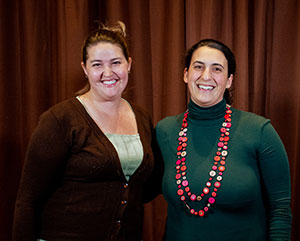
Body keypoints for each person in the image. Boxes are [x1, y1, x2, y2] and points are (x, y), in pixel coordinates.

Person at [13, 21, 159, 241]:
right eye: (97, 64)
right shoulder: (60, 120)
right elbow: (28, 200)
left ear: (129, 64)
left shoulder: (142, 117)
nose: (107, 72)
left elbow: (141, 189)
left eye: (116, 63)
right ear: (85, 68)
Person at [155, 39, 292, 241]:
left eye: (217, 69)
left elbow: (280, 208)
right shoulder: (164, 130)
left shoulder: (259, 131)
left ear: (229, 80)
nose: (206, 76)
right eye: (198, 67)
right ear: (186, 74)